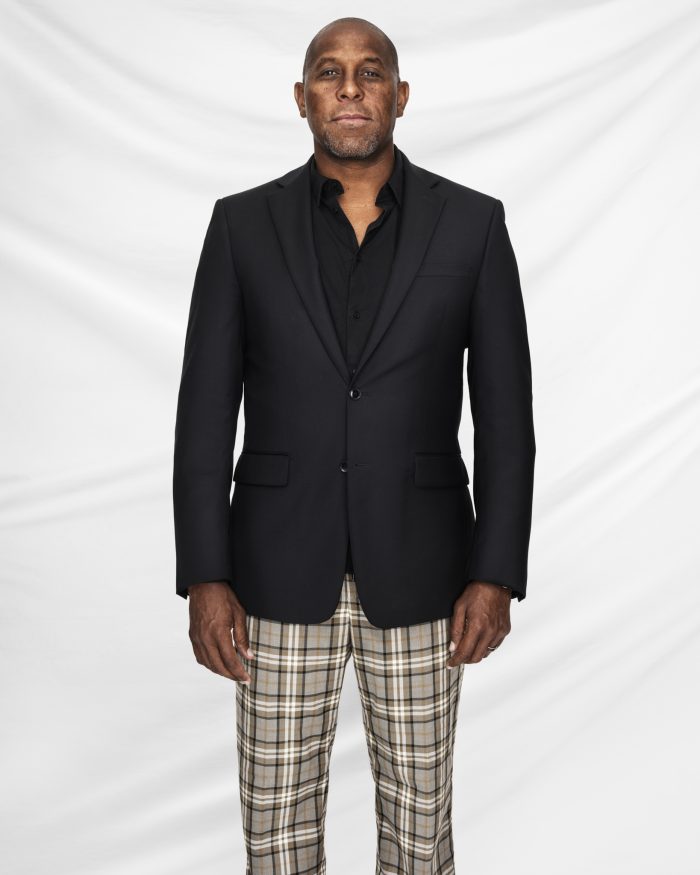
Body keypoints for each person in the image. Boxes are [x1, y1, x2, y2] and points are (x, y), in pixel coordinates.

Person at [173, 16, 535, 875]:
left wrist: (495, 572)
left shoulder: (472, 225)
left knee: (420, 832)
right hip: (272, 573)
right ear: (301, 99)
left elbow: (507, 420)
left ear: (399, 97)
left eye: (370, 72)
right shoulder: (241, 226)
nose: (349, 88)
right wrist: (205, 575)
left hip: (425, 575)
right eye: (328, 73)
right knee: (276, 831)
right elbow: (203, 415)